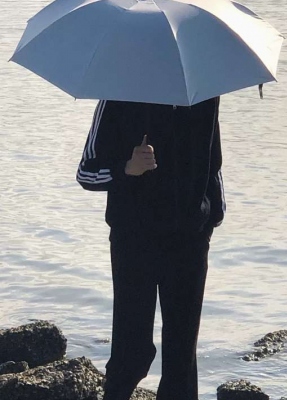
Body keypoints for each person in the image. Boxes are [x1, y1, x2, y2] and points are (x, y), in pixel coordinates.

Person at [76, 97, 225, 400]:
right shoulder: (120, 93)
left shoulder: (203, 94)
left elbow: (213, 162)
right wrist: (126, 168)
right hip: (134, 240)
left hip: (190, 240)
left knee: (181, 358)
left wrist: (212, 214)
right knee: (133, 353)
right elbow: (86, 172)